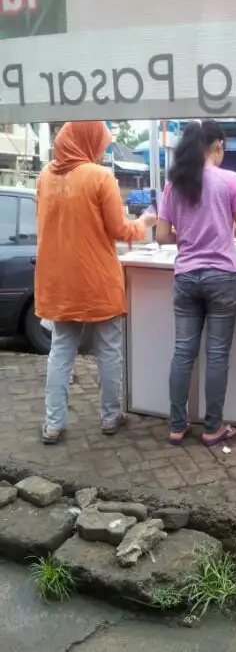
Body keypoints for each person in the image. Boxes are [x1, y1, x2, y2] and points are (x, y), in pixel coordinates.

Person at [36, 121, 156, 445]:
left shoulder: (45, 176)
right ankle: (110, 416)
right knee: (109, 350)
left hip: (58, 280)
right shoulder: (100, 176)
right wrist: (143, 223)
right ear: (88, 141)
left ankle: (53, 424)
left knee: (61, 352)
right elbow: (119, 229)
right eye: (101, 144)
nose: (103, 150)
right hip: (96, 279)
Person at [156, 120, 236, 447]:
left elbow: (162, 235)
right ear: (217, 145)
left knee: (182, 352)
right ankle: (213, 428)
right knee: (217, 355)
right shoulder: (231, 180)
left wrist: (188, 237)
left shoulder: (174, 183)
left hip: (186, 277)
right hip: (222, 277)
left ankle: (177, 427)